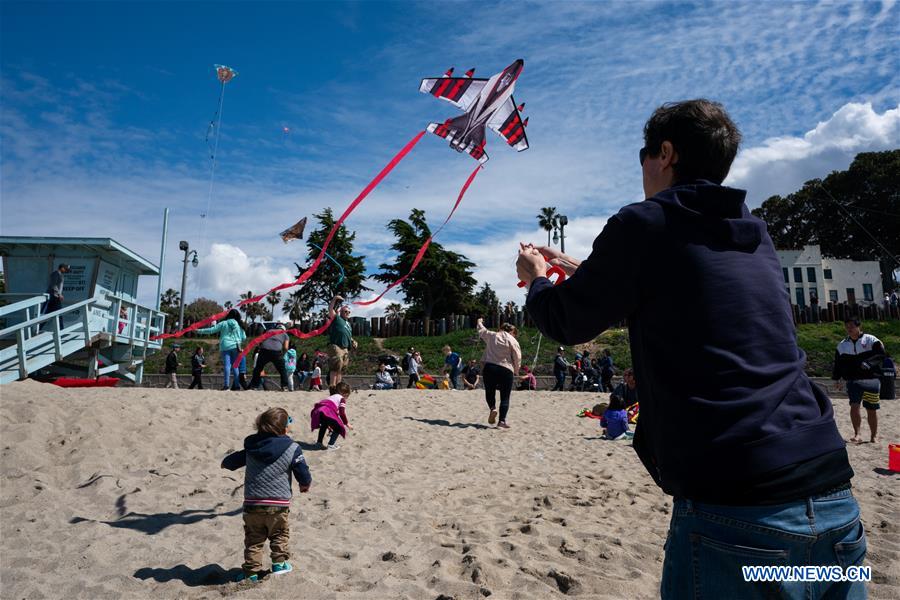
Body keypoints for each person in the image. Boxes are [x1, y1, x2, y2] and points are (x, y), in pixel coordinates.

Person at [517, 99, 863, 598]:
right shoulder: (752, 229)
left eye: (643, 155)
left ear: (665, 152)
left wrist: (534, 281)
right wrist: (579, 268)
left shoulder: (643, 224)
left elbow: (564, 321)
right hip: (832, 494)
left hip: (739, 509)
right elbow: (679, 281)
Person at [221, 407, 312, 582]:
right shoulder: (293, 448)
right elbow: (302, 471)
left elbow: (234, 460)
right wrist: (304, 485)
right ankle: (279, 564)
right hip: (278, 504)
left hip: (252, 504)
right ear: (284, 429)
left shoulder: (252, 447)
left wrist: (225, 463)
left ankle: (251, 573)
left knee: (254, 539)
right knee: (279, 534)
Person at [832, 316, 884, 444]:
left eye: (852, 326)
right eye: (847, 326)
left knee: (871, 409)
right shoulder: (842, 345)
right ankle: (857, 434)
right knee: (854, 406)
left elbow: (881, 355)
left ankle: (874, 436)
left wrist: (869, 363)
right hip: (853, 381)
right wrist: (837, 379)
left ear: (858, 326)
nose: (849, 328)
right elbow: (838, 364)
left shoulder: (871, 340)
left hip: (872, 380)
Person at [476, 318, 521, 429]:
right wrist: (516, 370)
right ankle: (502, 421)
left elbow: (481, 330)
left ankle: (492, 408)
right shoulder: (513, 340)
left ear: (500, 328)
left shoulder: (492, 335)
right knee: (505, 396)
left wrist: (479, 321)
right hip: (506, 369)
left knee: (490, 391)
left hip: (490, 367)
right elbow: (517, 356)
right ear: (510, 331)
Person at [197, 309, 248, 391]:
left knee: (227, 366)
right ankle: (237, 385)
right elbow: (244, 337)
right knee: (235, 367)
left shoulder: (224, 323)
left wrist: (198, 331)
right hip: (236, 346)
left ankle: (226, 385)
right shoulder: (239, 325)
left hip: (225, 346)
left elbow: (211, 330)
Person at [310, 382, 353, 450]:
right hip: (327, 411)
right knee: (338, 427)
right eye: (347, 395)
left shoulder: (332, 396)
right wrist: (346, 423)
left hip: (319, 410)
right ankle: (331, 445)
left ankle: (319, 443)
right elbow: (342, 413)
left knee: (324, 425)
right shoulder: (342, 399)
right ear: (345, 393)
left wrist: (330, 425)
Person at [249, 323, 290, 391]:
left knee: (258, 368)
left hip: (264, 350)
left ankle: (254, 386)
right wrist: (282, 354)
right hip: (276, 351)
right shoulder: (285, 334)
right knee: (282, 370)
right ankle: (284, 386)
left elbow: (261, 340)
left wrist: (261, 348)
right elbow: (286, 347)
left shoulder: (269, 331)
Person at [326, 296, 356, 387]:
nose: (347, 313)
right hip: (337, 346)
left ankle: (338, 387)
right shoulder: (337, 319)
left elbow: (347, 335)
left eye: (349, 312)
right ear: (341, 312)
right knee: (335, 366)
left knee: (341, 369)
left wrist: (353, 341)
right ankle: (332, 386)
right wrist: (334, 299)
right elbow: (330, 309)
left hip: (345, 348)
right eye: (345, 311)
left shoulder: (348, 324)